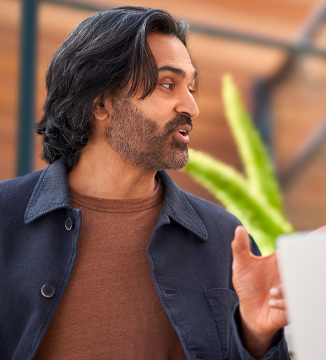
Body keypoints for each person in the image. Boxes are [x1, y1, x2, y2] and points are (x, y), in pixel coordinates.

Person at [0, 7, 289, 360]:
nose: (192, 107)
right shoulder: (4, 217)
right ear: (101, 103)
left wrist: (258, 338)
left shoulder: (226, 240)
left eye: (192, 87)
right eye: (168, 84)